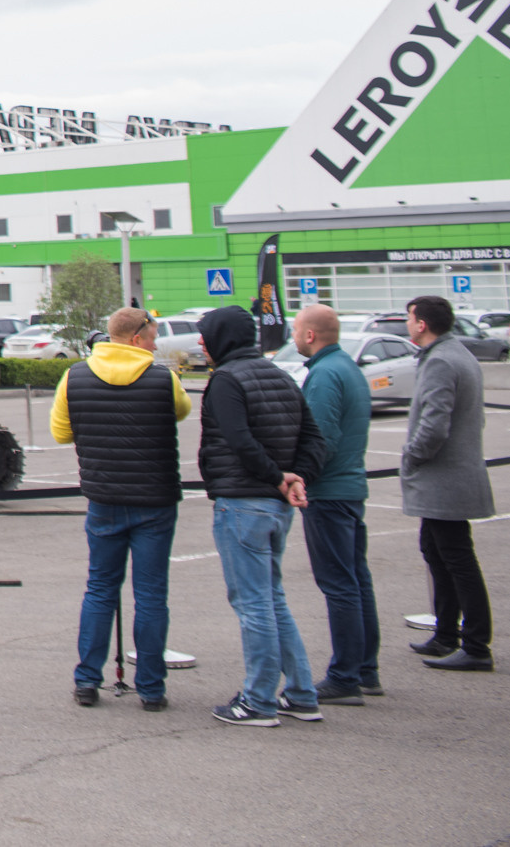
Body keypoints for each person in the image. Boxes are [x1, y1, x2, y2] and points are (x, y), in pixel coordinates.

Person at [50, 306, 190, 709]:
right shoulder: (164, 379)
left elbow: (61, 433)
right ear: (136, 338)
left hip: (104, 498)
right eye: (153, 338)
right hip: (155, 500)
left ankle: (87, 680)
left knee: (100, 589)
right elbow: (182, 411)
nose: (156, 346)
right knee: (151, 595)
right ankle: (151, 688)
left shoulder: (74, 376)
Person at [196, 305, 325, 725]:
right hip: (275, 505)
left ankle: (258, 700)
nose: (200, 342)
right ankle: (301, 693)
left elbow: (240, 441)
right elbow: (314, 437)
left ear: (222, 338)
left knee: (253, 605)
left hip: (242, 503)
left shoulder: (226, 380)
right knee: (272, 600)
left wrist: (279, 477)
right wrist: (297, 478)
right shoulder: (281, 375)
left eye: (205, 334)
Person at [401, 293, 495, 672]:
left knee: (457, 559)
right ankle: (445, 635)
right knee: (437, 552)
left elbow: (434, 426)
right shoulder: (456, 353)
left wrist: (411, 455)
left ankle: (476, 646)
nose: (407, 324)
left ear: (422, 324)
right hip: (450, 479)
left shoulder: (440, 360)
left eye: (410, 318)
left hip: (445, 481)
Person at [293, 304, 381, 703]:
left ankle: (345, 676)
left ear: (310, 335)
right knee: (356, 580)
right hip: (349, 488)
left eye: (297, 330)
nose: (294, 336)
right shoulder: (347, 367)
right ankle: (365, 669)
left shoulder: (325, 374)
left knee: (340, 584)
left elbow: (321, 438)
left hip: (329, 492)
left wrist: (299, 478)